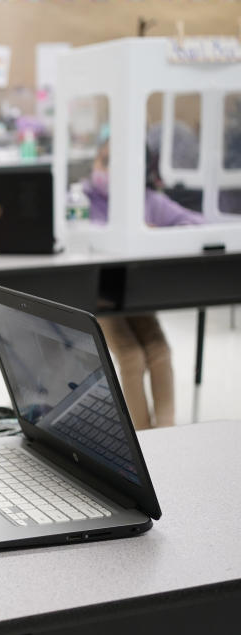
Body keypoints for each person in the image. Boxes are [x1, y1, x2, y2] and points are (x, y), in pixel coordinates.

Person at [83, 132, 204, 429]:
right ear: (96, 159)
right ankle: (142, 438)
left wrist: (154, 233)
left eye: (119, 163)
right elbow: (80, 233)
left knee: (160, 352)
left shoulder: (147, 200)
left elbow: (195, 224)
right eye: (105, 160)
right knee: (131, 355)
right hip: (98, 295)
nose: (109, 169)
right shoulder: (82, 198)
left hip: (136, 292)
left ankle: (166, 432)